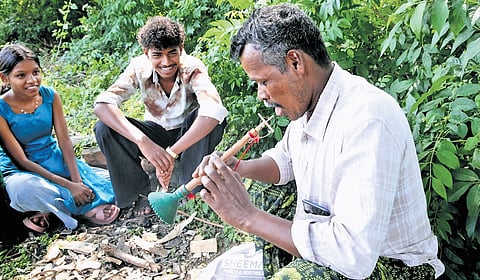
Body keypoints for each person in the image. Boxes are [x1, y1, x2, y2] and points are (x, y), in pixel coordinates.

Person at [194, 4, 445, 279]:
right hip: (338, 252)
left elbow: (353, 255)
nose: (260, 94)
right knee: (216, 273)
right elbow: (285, 162)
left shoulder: (368, 119)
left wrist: (248, 217)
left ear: (295, 63)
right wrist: (237, 167)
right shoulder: (308, 105)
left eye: (263, 81)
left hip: (392, 267)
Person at [93, 16, 228, 216]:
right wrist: (143, 141)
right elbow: (102, 105)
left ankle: (190, 187)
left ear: (181, 49)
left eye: (172, 53)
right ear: (146, 53)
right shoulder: (138, 67)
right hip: (156, 134)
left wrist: (171, 154)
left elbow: (214, 111)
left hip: (189, 135)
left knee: (210, 117)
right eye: (157, 55)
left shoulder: (192, 68)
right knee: (104, 127)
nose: (166, 62)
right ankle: (139, 194)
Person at [0, 44, 119, 233]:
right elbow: (21, 160)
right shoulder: (1, 108)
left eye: (36, 72)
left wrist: (77, 182)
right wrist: (69, 185)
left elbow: (64, 141)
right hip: (23, 170)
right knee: (25, 189)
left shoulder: (49, 95)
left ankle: (53, 212)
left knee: (113, 180)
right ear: (5, 78)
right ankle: (77, 210)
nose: (32, 80)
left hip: (52, 158)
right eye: (21, 75)